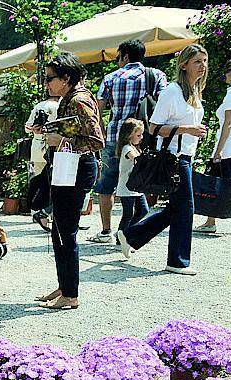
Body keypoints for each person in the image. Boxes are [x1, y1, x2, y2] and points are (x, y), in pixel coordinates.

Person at [118, 44, 210, 275]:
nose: (203, 66)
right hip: (173, 158)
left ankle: (131, 235)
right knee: (185, 208)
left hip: (185, 156)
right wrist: (186, 129)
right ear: (184, 64)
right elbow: (155, 128)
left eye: (204, 61)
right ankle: (177, 261)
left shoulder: (194, 91)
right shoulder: (172, 91)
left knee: (177, 208)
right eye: (197, 61)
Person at [33, 52, 105, 310]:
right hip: (68, 168)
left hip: (76, 169)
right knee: (59, 231)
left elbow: (97, 141)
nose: (47, 84)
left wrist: (61, 140)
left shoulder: (80, 100)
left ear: (66, 78)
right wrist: (51, 131)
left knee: (65, 232)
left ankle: (71, 294)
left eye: (50, 78)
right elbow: (74, 131)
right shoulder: (70, 98)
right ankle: (65, 286)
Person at [91, 39, 169, 243]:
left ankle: (107, 230)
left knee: (106, 185)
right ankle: (130, 230)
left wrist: (103, 133)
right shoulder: (156, 75)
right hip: (141, 139)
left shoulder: (110, 78)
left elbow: (97, 112)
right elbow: (163, 106)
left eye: (118, 57)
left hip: (114, 138)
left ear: (125, 56)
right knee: (140, 181)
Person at [195, 55, 231, 233]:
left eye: (228, 71)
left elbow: (228, 123)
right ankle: (210, 220)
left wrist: (218, 151)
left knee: (220, 184)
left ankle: (210, 221)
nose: (225, 75)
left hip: (230, 147)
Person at [26, 94, 61, 230]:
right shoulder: (59, 106)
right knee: (52, 181)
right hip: (52, 147)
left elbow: (27, 127)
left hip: (37, 146)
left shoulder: (38, 106)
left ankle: (35, 210)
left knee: (38, 180)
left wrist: (36, 130)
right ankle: (47, 212)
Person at [114, 118, 149, 233]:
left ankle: (127, 232)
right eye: (139, 135)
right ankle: (123, 235)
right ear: (129, 135)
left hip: (136, 187)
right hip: (127, 187)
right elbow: (136, 159)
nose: (141, 137)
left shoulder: (134, 147)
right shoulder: (127, 148)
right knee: (128, 214)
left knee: (143, 210)